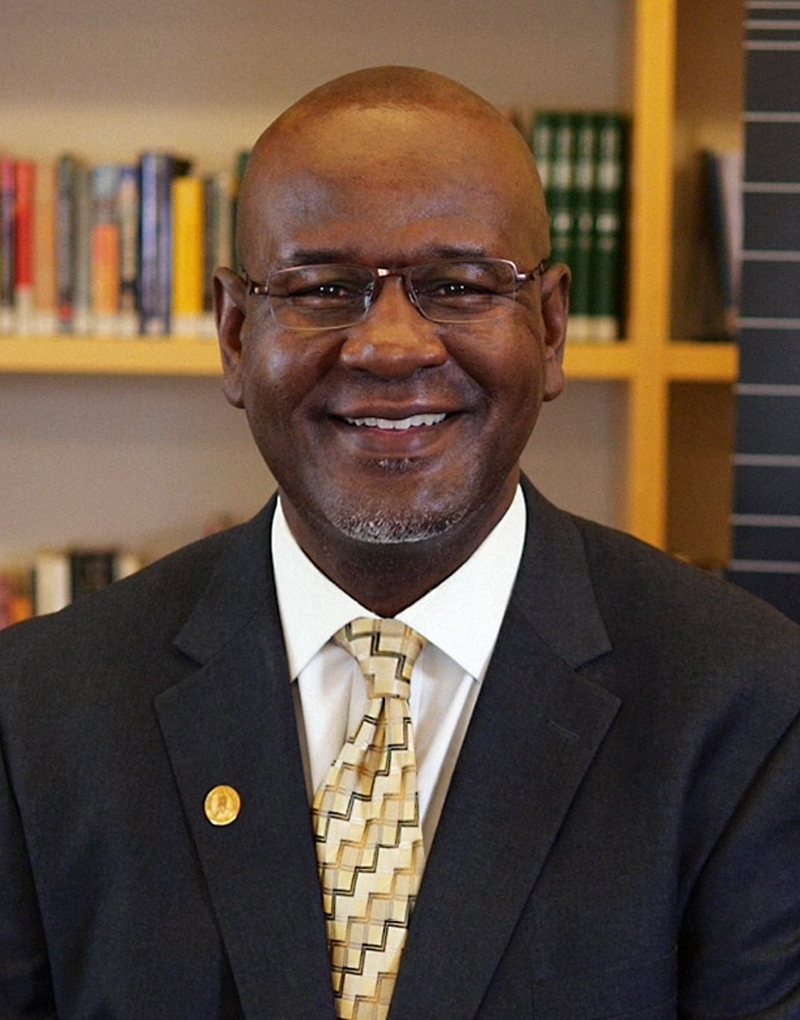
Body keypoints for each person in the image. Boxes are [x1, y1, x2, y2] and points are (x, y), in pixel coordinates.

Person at [1, 66, 799, 1020]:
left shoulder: (746, 705)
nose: (389, 345)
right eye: (324, 286)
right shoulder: (38, 711)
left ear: (549, 330)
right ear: (232, 333)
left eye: (458, 285)